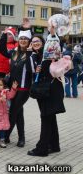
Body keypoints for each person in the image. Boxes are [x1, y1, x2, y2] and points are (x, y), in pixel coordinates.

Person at [28, 24, 66, 157]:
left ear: (44, 43)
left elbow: (55, 43)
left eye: (38, 41)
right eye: (33, 42)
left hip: (50, 90)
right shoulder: (36, 56)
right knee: (50, 117)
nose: (35, 44)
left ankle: (42, 149)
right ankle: (54, 145)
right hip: (44, 91)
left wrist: (53, 33)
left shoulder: (49, 53)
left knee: (46, 117)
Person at [0, 21, 34, 147]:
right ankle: (21, 138)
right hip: (13, 89)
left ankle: (5, 136)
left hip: (24, 90)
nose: (23, 40)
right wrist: (4, 35)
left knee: (13, 112)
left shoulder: (31, 54)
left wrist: (30, 29)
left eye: (26, 39)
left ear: (29, 41)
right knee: (18, 113)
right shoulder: (14, 52)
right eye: (21, 38)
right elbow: (1, 49)